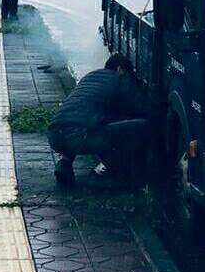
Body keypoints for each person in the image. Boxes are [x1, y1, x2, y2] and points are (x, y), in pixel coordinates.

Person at [47, 57, 151, 188]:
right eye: (129, 74)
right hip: (79, 136)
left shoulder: (90, 77)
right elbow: (142, 107)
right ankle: (101, 174)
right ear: (120, 69)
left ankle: (64, 163)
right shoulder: (118, 79)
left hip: (54, 135)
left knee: (80, 121)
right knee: (143, 126)